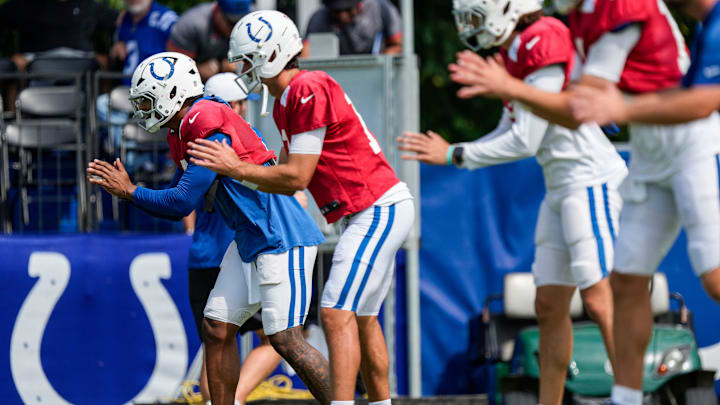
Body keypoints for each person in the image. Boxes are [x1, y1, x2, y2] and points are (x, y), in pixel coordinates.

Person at [448, 0, 720, 403]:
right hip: (641, 155)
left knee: (697, 279)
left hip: (656, 157)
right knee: (611, 290)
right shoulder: (573, 22)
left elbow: (575, 111)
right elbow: (579, 105)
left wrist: (509, 89)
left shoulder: (607, 13)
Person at [399, 2, 627, 404]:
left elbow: (526, 141)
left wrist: (456, 155)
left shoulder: (543, 36)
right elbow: (511, 128)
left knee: (599, 299)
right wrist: (457, 150)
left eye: (474, 15)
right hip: (561, 185)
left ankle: (632, 398)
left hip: (589, 178)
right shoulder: (516, 49)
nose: (470, 27)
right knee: (549, 304)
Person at [187, 10, 415, 405]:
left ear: (270, 55)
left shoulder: (306, 87)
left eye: (247, 60)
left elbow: (296, 178)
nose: (242, 68)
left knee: (334, 312)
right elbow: (280, 172)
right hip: (367, 211)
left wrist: (233, 167)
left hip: (377, 207)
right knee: (362, 318)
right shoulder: (285, 101)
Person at [86, 52, 331, 405]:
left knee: (285, 339)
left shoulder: (206, 120)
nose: (141, 109)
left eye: (146, 100)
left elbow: (181, 201)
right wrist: (136, 191)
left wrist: (130, 191)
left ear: (173, 94)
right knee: (216, 328)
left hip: (280, 235)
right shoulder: (183, 130)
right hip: (248, 238)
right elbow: (183, 193)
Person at [569, 0, 720, 126]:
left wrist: (624, 109)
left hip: (687, 136)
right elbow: (688, 93)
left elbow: (704, 101)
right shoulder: (708, 25)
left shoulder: (716, 27)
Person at [0, 0, 117, 71]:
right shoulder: (27, 4)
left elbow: (121, 19)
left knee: (104, 61)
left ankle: (102, 109)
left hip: (82, 58)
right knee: (16, 63)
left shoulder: (89, 5)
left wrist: (120, 42)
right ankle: (15, 111)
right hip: (35, 58)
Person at [167, 0, 250, 81]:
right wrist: (198, 71)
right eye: (232, 23)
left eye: (241, 22)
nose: (236, 28)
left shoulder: (254, 18)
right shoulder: (190, 24)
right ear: (218, 10)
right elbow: (175, 70)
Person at [301, 0, 402, 57]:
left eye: (347, 10)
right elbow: (305, 55)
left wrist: (379, 61)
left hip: (376, 73)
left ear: (359, 4)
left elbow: (398, 45)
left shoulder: (381, 9)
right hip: (338, 74)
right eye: (337, 11)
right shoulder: (319, 17)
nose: (342, 16)